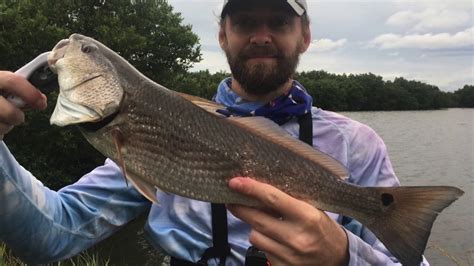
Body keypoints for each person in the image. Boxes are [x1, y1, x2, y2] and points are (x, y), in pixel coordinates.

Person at [0, 0, 429, 265]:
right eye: (244, 22)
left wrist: (342, 257)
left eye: (278, 22)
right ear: (223, 35)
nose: (261, 37)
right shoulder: (162, 125)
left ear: (305, 37)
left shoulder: (356, 144)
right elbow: (54, 234)